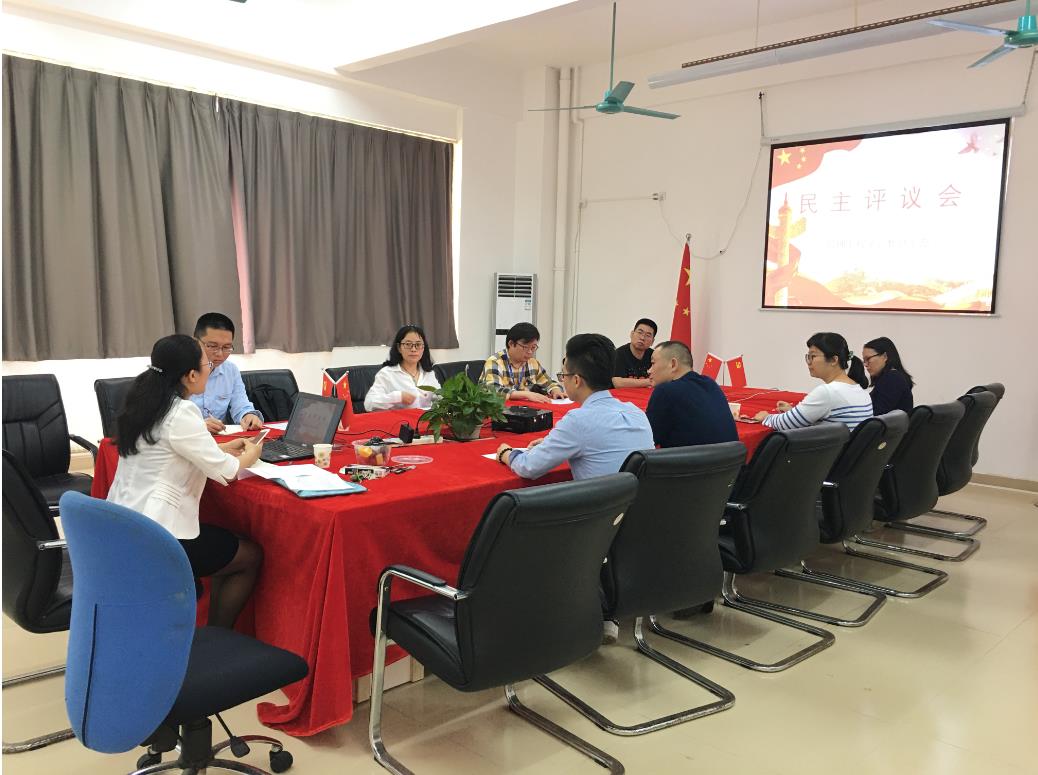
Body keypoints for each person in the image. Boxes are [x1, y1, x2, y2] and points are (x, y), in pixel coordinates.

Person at [108, 334, 265, 628]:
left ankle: (215, 634)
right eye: (207, 365)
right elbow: (228, 473)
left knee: (228, 543)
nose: (211, 369)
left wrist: (219, 448)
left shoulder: (148, 402)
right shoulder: (182, 411)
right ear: (191, 375)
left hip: (126, 523)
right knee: (249, 556)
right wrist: (252, 453)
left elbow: (170, 448)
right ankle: (218, 636)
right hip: (158, 537)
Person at [496, 333, 654, 481]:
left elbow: (528, 467)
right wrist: (554, 442)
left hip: (600, 502)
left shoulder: (578, 421)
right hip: (638, 500)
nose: (563, 381)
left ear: (577, 380)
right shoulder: (636, 413)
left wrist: (506, 453)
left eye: (563, 375)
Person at [754, 332, 873, 432]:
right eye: (808, 357)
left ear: (833, 360)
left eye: (813, 356)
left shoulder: (829, 392)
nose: (809, 362)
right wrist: (793, 412)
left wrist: (766, 417)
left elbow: (786, 424)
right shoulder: (859, 390)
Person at [646, 340, 738, 447]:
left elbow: (648, 439)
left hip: (688, 458)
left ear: (673, 364)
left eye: (653, 363)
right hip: (731, 457)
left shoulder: (665, 391)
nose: (649, 370)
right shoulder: (710, 383)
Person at [190, 312, 264, 433]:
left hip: (220, 437)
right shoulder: (177, 370)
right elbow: (166, 418)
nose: (220, 354)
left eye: (226, 347)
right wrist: (197, 426)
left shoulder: (230, 370)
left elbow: (241, 405)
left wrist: (248, 415)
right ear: (195, 342)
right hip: (186, 438)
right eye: (212, 346)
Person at [480, 322, 564, 403]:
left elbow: (549, 382)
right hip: (500, 410)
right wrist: (526, 394)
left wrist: (555, 390)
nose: (530, 352)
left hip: (525, 409)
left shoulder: (532, 363)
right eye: (525, 347)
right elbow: (493, 390)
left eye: (533, 347)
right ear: (511, 344)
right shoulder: (495, 362)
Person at [364, 324, 441, 411]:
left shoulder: (429, 373)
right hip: (402, 419)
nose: (413, 349)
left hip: (428, 419)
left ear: (423, 348)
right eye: (408, 344)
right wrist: (397, 397)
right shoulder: (387, 374)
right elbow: (369, 404)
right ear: (399, 348)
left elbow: (441, 398)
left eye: (418, 344)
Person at [862, 336, 914, 415]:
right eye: (864, 360)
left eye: (868, 359)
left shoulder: (892, 379)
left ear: (885, 356)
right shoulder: (891, 377)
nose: (865, 364)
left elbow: (877, 414)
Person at [612, 318, 657, 388]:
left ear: (652, 341)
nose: (642, 338)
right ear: (632, 334)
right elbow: (617, 383)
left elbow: (662, 379)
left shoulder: (655, 355)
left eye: (648, 335)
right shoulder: (618, 354)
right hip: (624, 394)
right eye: (640, 332)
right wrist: (650, 381)